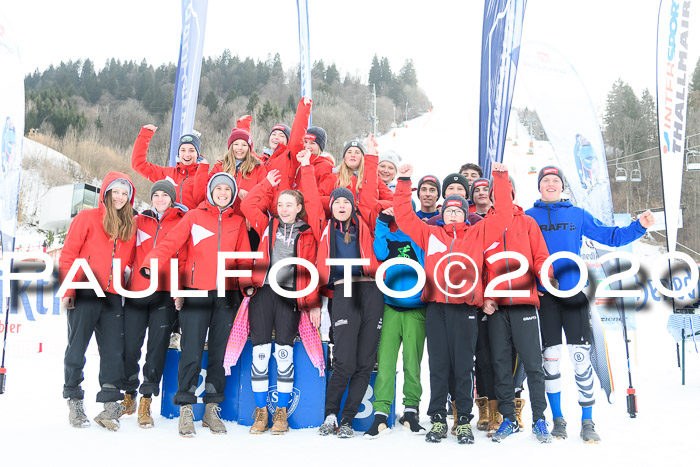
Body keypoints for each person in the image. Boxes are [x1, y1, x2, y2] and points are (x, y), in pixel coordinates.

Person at [525, 166, 655, 443]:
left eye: (555, 181)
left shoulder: (577, 214)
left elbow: (610, 237)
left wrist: (639, 226)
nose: (550, 184)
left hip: (574, 294)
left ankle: (587, 421)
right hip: (544, 296)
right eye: (545, 180)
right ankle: (558, 419)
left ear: (562, 187)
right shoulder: (528, 217)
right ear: (539, 186)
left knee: (581, 358)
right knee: (550, 359)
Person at [393, 162, 514, 445]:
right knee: (438, 364)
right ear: (443, 214)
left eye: (458, 210)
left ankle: (462, 420)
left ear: (466, 213)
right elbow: (404, 215)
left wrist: (500, 177)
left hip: (464, 308)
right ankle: (437, 418)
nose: (452, 214)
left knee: (463, 365)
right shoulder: (430, 234)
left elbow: (504, 214)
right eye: (448, 210)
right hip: (436, 307)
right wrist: (404, 180)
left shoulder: (477, 233)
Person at [140, 172, 253, 437]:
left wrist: (247, 284)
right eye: (218, 188)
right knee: (190, 350)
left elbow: (244, 258)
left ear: (233, 193)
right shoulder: (194, 216)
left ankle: (212, 408)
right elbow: (171, 243)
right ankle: (186, 407)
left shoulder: (238, 221)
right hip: (195, 292)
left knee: (219, 352)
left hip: (226, 294)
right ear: (211, 191)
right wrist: (149, 263)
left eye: (227, 189)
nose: (222, 193)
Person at [239, 150, 323, 435]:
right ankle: (261, 412)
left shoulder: (310, 231)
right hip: (263, 292)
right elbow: (248, 205)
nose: (285, 208)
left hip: (290, 294)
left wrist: (306, 167)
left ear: (299, 208)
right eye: (281, 204)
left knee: (284, 353)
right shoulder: (269, 224)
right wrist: (266, 185)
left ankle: (281, 413)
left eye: (290, 204)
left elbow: (313, 201)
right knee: (260, 352)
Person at [314, 136, 383, 439]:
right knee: (345, 360)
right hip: (343, 291)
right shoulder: (326, 227)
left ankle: (347, 419)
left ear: (353, 205)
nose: (342, 205)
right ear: (332, 206)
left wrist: (374, 158)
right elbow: (317, 266)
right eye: (337, 202)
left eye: (347, 201)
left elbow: (368, 194)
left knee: (365, 362)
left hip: (371, 291)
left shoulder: (364, 222)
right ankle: (330, 414)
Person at [59, 172, 137, 431]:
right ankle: (74, 398)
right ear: (106, 192)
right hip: (85, 290)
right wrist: (69, 289)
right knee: (76, 347)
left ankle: (110, 404)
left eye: (124, 193)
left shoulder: (129, 225)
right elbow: (69, 254)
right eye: (116, 191)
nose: (120, 197)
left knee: (114, 351)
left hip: (113, 296)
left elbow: (131, 262)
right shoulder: (87, 218)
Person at [480, 179, 554, 443]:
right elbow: (477, 267)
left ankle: (540, 420)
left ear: (512, 193)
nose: (501, 198)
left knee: (533, 364)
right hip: (497, 307)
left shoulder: (527, 223)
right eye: (496, 195)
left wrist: (545, 279)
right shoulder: (484, 225)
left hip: (524, 303)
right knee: (500, 364)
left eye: (506, 193)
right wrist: (484, 297)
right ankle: (508, 419)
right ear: (490, 198)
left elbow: (541, 256)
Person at [121, 180, 188, 428]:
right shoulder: (139, 221)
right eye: (156, 195)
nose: (160, 199)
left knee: (156, 350)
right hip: (137, 292)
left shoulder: (182, 221)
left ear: (172, 198)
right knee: (129, 347)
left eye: (164, 195)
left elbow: (183, 260)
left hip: (164, 294)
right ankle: (129, 394)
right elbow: (126, 254)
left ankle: (146, 398)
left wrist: (178, 290)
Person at [364, 199, 427, 439]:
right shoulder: (388, 237)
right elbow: (378, 251)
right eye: (396, 213)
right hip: (391, 306)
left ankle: (410, 411)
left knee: (413, 363)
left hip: (416, 307)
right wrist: (382, 220)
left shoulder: (420, 236)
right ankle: (380, 413)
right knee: (386, 362)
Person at [131, 125, 204, 209]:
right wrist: (145, 135)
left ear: (197, 154)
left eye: (191, 150)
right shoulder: (167, 174)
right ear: (179, 153)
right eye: (183, 150)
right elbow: (138, 164)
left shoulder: (203, 178)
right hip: (167, 221)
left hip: (191, 221)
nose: (187, 155)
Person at [318, 139, 394, 218]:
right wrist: (338, 202)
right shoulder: (334, 178)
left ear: (362, 157)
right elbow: (316, 199)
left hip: (367, 224)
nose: (353, 155)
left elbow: (393, 201)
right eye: (349, 152)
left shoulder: (373, 178)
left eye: (357, 152)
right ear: (344, 157)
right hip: (342, 225)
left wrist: (375, 205)